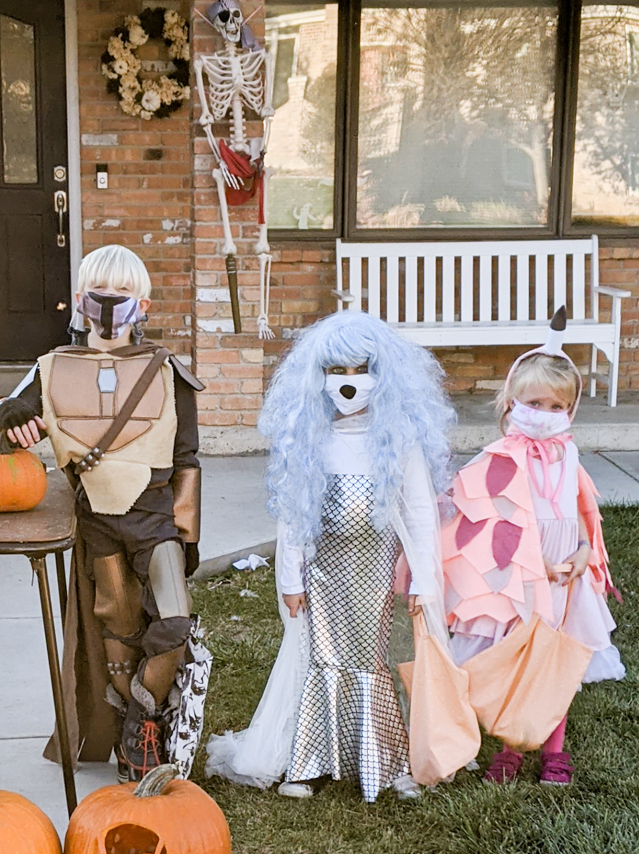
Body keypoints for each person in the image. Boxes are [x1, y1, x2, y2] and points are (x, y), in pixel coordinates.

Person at [205, 310, 455, 802]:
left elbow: (422, 516)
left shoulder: (397, 442)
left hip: (376, 570)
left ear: (382, 376)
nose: (348, 384)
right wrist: (290, 580)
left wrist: (426, 580)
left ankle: (382, 759)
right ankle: (311, 760)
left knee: (371, 656)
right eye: (336, 372)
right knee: (322, 656)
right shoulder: (310, 440)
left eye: (359, 371)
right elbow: (293, 519)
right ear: (316, 378)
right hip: (323, 571)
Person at [0, 244, 203, 781]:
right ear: (78, 301)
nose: (111, 306)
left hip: (156, 518)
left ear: (145, 305)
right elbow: (7, 416)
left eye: (124, 295)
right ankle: (130, 737)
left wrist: (188, 533)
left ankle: (145, 714)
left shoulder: (167, 372)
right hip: (99, 524)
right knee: (116, 625)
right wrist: (14, 417)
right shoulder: (52, 369)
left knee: (174, 620)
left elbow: (187, 458)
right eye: (100, 294)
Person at [442, 307, 624, 787]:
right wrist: (532, 562)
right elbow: (485, 520)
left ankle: (555, 752)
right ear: (512, 402)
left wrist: (585, 549)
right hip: (520, 575)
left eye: (556, 407)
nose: (544, 415)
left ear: (570, 410)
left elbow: (581, 507)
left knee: (555, 661)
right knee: (518, 658)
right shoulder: (499, 457)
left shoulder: (570, 452)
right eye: (535, 403)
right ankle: (511, 748)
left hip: (567, 573)